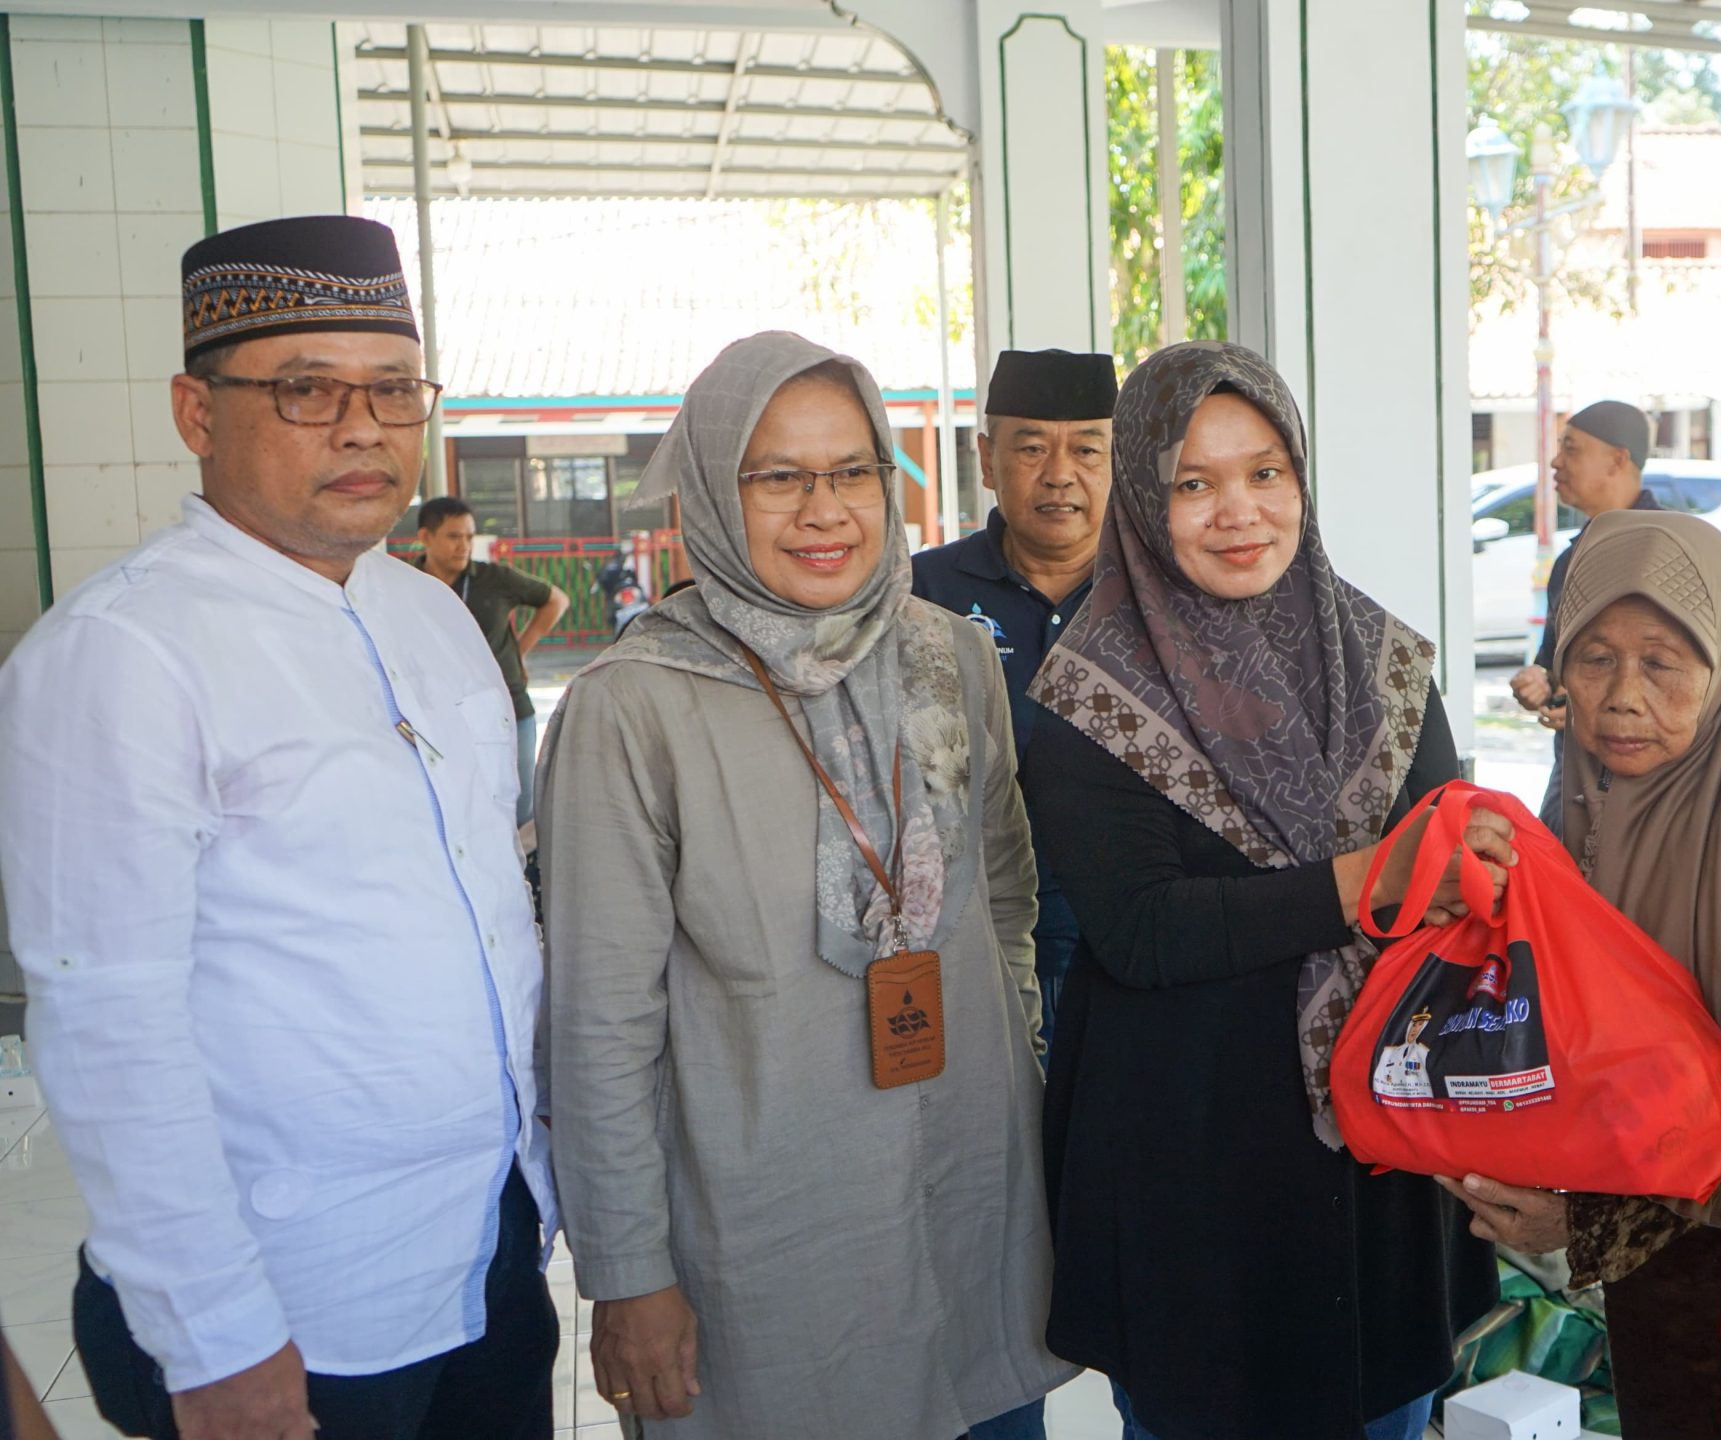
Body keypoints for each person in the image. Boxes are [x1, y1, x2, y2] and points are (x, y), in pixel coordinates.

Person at [0, 215, 555, 1440]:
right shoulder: (119, 656)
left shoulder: (430, 613)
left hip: (487, 1249)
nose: (363, 427)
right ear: (197, 413)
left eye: (394, 390)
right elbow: (107, 1028)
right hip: (291, 1307)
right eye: (306, 389)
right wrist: (217, 1343)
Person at [539, 332, 1071, 1440]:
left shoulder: (947, 656)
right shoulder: (634, 707)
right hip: (769, 1236)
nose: (823, 510)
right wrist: (628, 1272)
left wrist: (1010, 1043)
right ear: (711, 496)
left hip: (974, 1200)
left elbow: (1004, 892)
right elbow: (599, 1023)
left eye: (852, 472)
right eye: (777, 476)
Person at [1022, 340, 1503, 1440]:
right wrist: (1361, 885)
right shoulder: (1090, 688)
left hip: (1376, 1158)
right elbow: (1142, 930)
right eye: (1194, 483)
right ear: (1144, 497)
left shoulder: (1378, 656)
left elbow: (1444, 872)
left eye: (1265, 472)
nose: (1238, 510)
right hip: (1191, 1171)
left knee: (1388, 1411)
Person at [1444, 509, 1721, 1438]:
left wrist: (1584, 1224)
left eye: (1663, 662)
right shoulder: (1588, 800)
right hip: (1658, 1290)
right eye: (1594, 657)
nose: (1622, 696)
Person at [914, 348, 1117, 1048]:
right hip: (969, 942)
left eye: (1087, 449)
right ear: (985, 458)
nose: (1059, 474)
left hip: (1123, 945)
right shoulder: (920, 596)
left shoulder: (1165, 598)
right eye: (1031, 447)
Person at [413, 495, 569, 825]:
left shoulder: (493, 579)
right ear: (426, 537)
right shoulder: (405, 582)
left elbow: (555, 600)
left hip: (508, 707)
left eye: (469, 537)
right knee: (459, 806)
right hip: (441, 713)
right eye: (454, 536)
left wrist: (521, 649)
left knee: (520, 809)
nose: (464, 546)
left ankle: (524, 876)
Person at [1506, 400, 1660, 735]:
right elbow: (1555, 661)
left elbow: (1678, 671)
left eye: (1571, 449)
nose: (1555, 461)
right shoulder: (1571, 559)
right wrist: (1542, 681)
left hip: (1649, 764)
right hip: (1575, 760)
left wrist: (1595, 708)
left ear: (1618, 460)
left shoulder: (1667, 549)